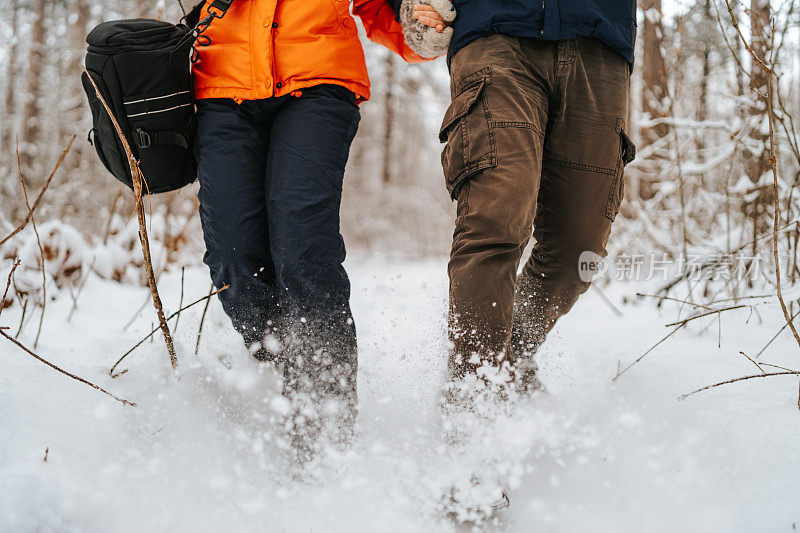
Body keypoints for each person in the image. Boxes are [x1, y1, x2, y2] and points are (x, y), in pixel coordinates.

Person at [191, 0, 430, 459]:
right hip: (224, 84)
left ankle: (326, 429)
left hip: (317, 81)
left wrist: (420, 26)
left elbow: (382, 6)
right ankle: (277, 373)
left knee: (303, 246)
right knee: (233, 254)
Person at [402, 0, 637, 397]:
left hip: (600, 41)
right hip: (494, 33)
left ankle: (510, 361)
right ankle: (475, 406)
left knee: (578, 252)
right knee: (496, 219)